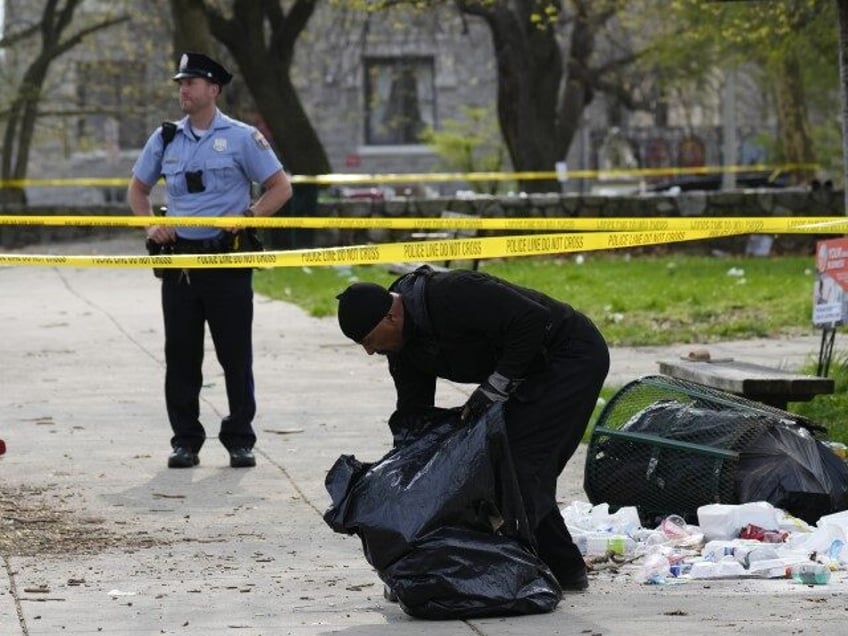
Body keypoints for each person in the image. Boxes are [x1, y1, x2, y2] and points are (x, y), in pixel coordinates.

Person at [335, 265, 609, 591]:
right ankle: (555, 566)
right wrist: (405, 477)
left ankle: (549, 570)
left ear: (390, 318)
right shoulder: (403, 350)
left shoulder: (452, 292)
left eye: (368, 340)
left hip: (569, 357)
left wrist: (493, 390)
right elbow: (414, 415)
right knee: (496, 466)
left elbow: (532, 320)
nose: (369, 352)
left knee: (520, 467)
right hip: (526, 372)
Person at [127, 52, 292, 469]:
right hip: (181, 265)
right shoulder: (165, 138)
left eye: (192, 82)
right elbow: (137, 190)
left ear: (214, 89)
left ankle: (240, 438)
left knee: (235, 355)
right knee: (181, 356)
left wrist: (249, 217)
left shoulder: (241, 137)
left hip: (226, 261)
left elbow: (280, 187)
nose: (183, 89)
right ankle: (185, 439)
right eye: (181, 82)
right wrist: (151, 227)